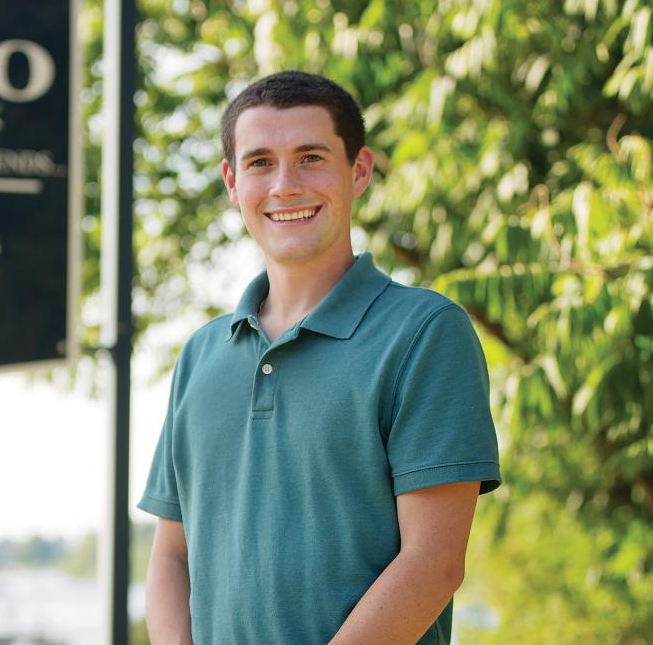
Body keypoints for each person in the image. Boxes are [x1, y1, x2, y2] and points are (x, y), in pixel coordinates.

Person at [138, 71, 501, 645]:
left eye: (310, 157)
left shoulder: (425, 333)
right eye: (260, 162)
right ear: (232, 182)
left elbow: (433, 563)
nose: (285, 185)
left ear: (358, 171)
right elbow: (172, 556)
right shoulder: (201, 354)